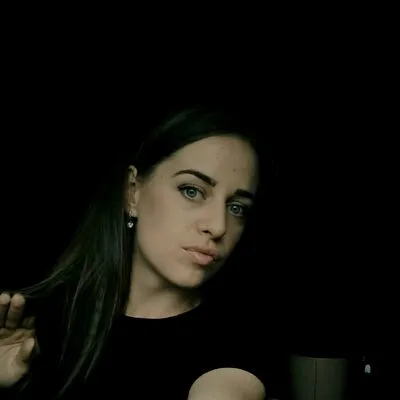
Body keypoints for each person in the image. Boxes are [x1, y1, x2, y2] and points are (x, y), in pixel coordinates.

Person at [0, 105, 276, 399]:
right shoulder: (41, 323)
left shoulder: (237, 346)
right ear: (133, 192)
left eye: (237, 208)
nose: (219, 226)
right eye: (192, 191)